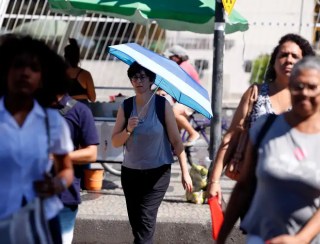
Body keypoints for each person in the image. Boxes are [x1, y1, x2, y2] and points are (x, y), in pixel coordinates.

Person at [218, 56, 320, 244]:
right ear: (290, 87)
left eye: (312, 87)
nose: (304, 92)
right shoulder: (266, 127)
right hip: (261, 237)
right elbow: (243, 186)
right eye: (298, 86)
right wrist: (221, 238)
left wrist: (300, 239)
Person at [207, 33, 315, 203]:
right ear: (274, 61)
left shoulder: (311, 98)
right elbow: (231, 136)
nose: (288, 60)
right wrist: (214, 181)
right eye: (283, 55)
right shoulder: (256, 94)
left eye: (295, 56)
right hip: (254, 185)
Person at [0, 35, 74, 243]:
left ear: (43, 79)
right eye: (18, 65)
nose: (25, 72)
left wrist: (57, 184)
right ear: (5, 70)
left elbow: (66, 169)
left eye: (34, 68)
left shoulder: (52, 122)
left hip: (42, 221)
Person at [111, 61, 193, 243]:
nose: (138, 81)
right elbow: (115, 141)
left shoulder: (162, 105)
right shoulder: (126, 106)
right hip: (131, 173)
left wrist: (185, 173)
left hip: (157, 173)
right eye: (134, 77)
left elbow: (176, 142)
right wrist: (128, 130)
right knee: (137, 225)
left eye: (142, 77)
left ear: (151, 80)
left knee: (145, 223)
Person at [52, 92, 99, 244]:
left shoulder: (79, 110)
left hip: (65, 195)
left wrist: (57, 157)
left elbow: (91, 154)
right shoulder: (29, 107)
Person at [164, 45, 201, 146]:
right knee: (174, 131)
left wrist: (164, 90)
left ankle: (193, 133)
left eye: (170, 57)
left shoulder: (184, 66)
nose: (169, 59)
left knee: (174, 113)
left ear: (177, 57)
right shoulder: (181, 66)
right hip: (186, 100)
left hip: (192, 99)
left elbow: (176, 82)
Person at [64, 38, 96, 103]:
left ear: (65, 56)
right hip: (81, 108)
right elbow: (92, 98)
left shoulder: (58, 74)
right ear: (78, 57)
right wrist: (83, 96)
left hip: (64, 109)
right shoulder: (85, 74)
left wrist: (71, 98)